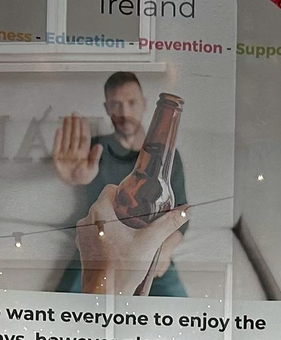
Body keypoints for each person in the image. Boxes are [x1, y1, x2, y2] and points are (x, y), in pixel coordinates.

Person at [52, 70, 188, 295]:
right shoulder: (94, 148)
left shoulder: (170, 159)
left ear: (144, 105)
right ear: (107, 109)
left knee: (187, 320)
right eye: (116, 104)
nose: (124, 112)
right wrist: (74, 179)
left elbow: (182, 214)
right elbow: (80, 173)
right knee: (61, 314)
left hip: (150, 248)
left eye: (131, 102)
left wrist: (165, 249)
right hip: (100, 247)